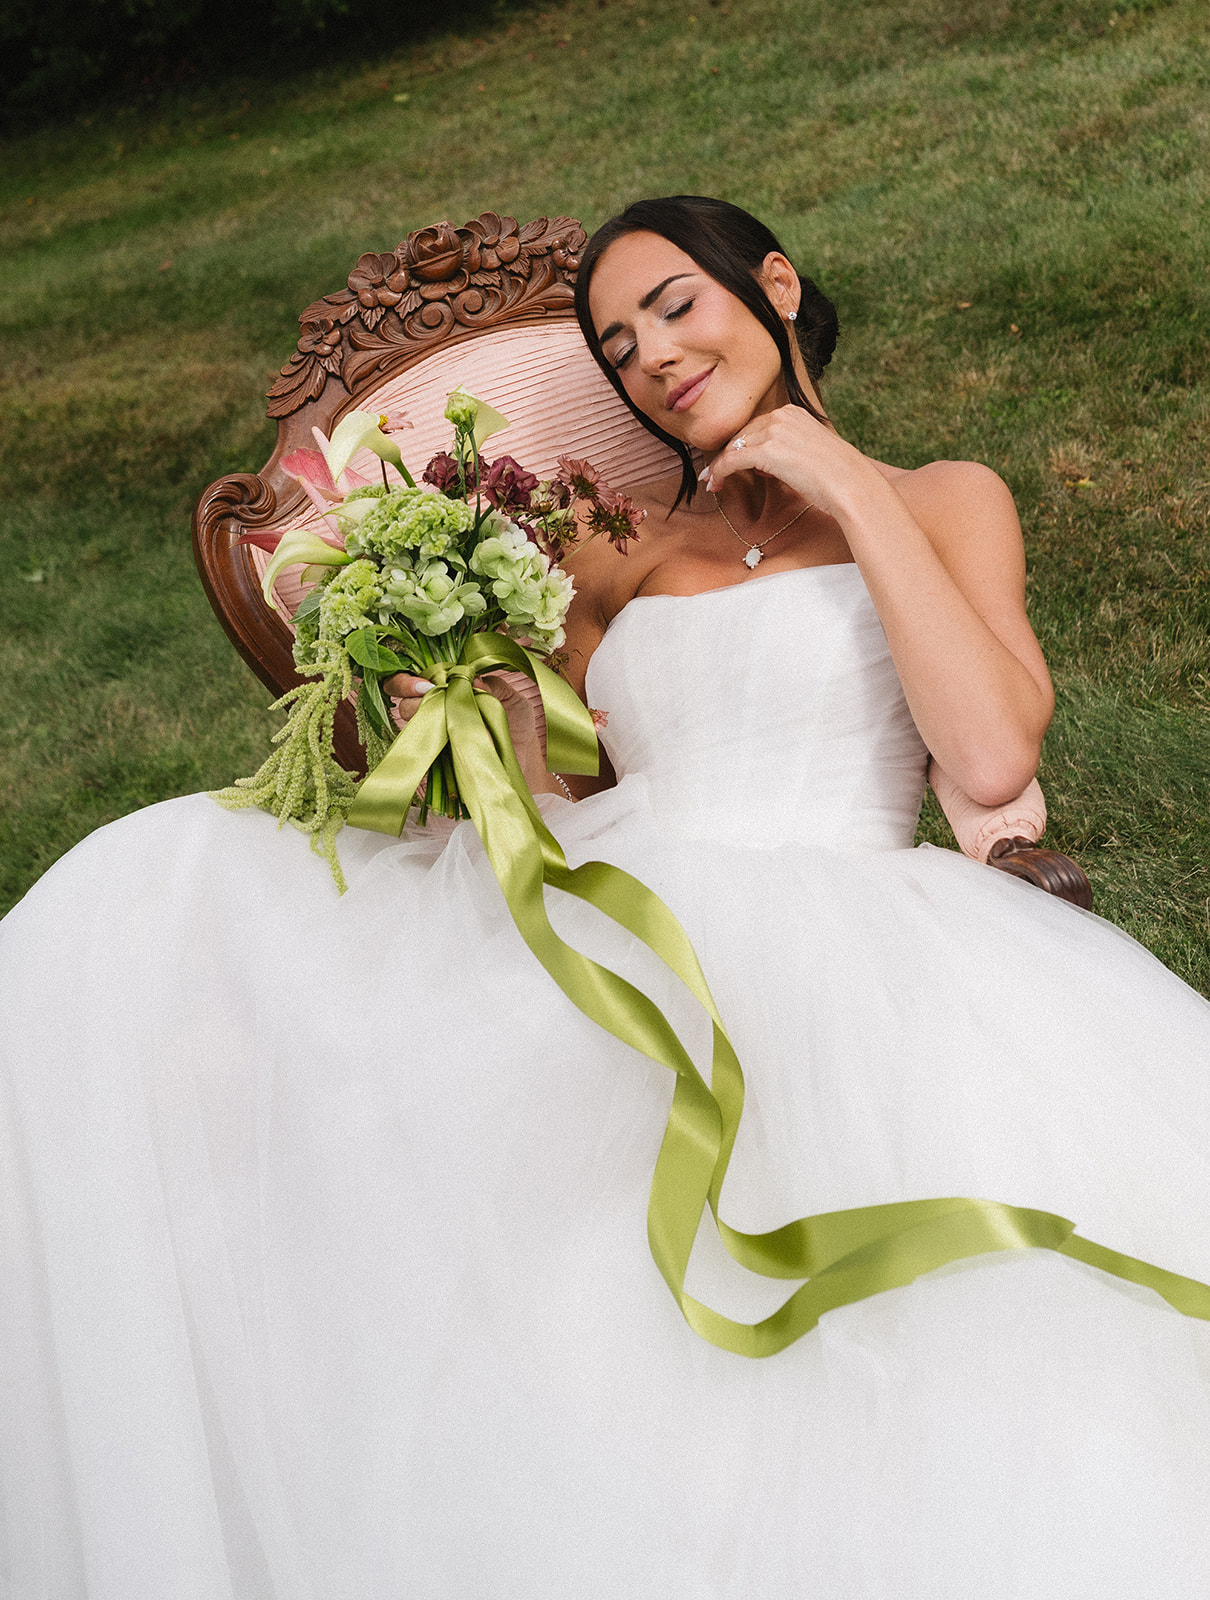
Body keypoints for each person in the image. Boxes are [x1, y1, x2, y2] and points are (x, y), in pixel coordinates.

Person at [2, 195, 1210, 1600]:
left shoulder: (946, 497)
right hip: (613, 931)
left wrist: (848, 486)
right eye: (615, 341)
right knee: (152, 897)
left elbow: (989, 749)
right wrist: (460, 695)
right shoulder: (611, 556)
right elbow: (559, 800)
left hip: (864, 940)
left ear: (771, 284)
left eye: (674, 306)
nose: (648, 355)